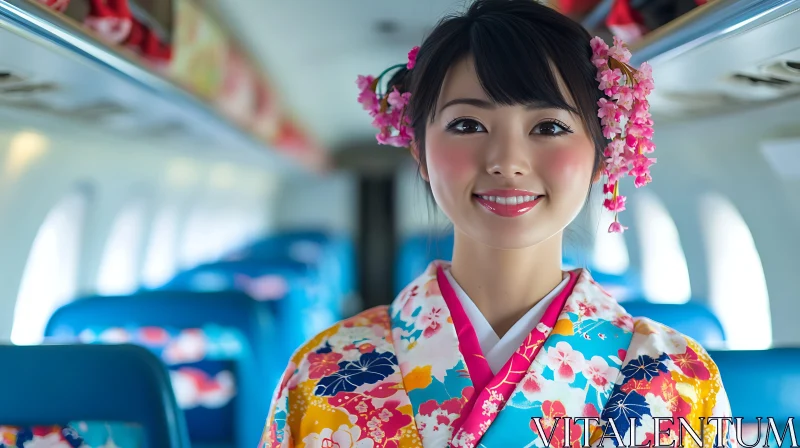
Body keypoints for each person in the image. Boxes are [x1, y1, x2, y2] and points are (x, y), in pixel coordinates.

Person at [259, 1, 733, 447]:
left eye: (548, 127)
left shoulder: (679, 380)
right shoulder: (322, 374)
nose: (507, 161)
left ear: (601, 156)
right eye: (468, 125)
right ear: (420, 151)